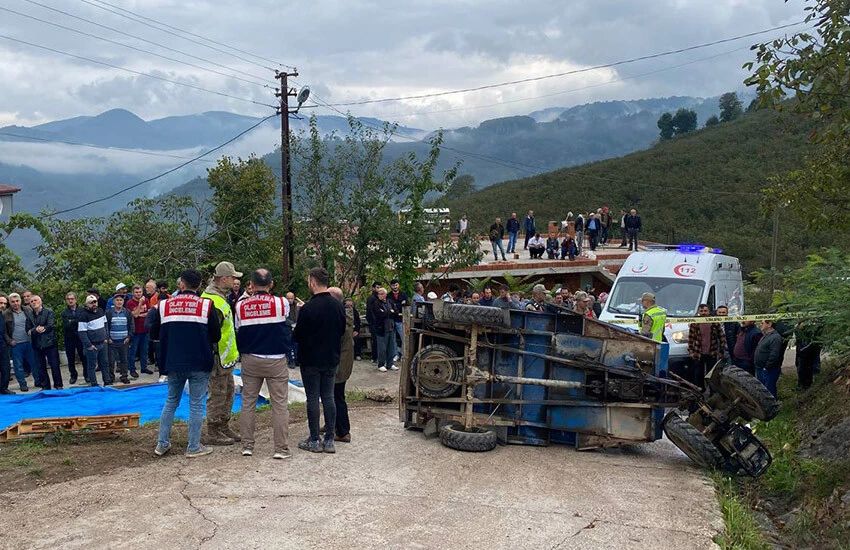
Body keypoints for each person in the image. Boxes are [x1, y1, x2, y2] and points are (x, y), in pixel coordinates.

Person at [148, 268, 221, 458]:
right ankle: (194, 447)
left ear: (181, 284)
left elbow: (153, 333)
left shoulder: (164, 305)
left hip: (173, 361)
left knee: (171, 401)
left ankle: (162, 443)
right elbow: (216, 335)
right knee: (196, 404)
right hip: (199, 362)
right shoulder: (206, 305)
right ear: (199, 286)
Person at [234, 268, 293, 459]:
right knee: (279, 405)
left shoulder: (240, 305)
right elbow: (284, 321)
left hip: (251, 359)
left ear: (250, 285)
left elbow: (238, 328)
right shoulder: (281, 302)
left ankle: (247, 445)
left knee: (248, 402)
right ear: (271, 284)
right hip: (276, 359)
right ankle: (281, 448)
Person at [293, 267, 346, 454]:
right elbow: (342, 330)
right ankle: (330, 439)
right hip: (331, 357)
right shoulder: (338, 305)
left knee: (313, 398)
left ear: (313, 282)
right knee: (329, 397)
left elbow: (298, 335)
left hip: (311, 359)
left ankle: (315, 439)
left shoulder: (307, 308)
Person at [202, 261, 242, 446]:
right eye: (233, 277)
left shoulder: (220, 296)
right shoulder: (212, 300)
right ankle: (213, 430)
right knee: (217, 394)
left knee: (228, 393)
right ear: (224, 278)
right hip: (217, 358)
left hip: (226, 358)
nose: (235, 281)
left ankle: (224, 426)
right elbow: (210, 332)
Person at [331, 288, 354, 444]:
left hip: (340, 362)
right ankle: (332, 424)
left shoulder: (341, 318)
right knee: (332, 395)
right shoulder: (345, 314)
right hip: (343, 360)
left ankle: (343, 431)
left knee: (337, 396)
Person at [27, 295, 63, 390]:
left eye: (35, 300)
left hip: (50, 343)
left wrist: (42, 328)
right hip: (37, 345)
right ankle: (45, 386)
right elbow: (27, 329)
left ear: (41, 302)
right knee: (40, 367)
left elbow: (50, 325)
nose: (33, 302)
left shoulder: (48, 312)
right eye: (31, 301)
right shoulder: (29, 316)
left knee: (54, 365)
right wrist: (36, 330)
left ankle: (58, 385)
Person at [687, 304, 726, 389]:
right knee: (698, 374)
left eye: (705, 311)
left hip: (712, 353)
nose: (703, 313)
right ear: (699, 312)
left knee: (711, 375)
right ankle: (699, 391)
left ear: (709, 311)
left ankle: (712, 392)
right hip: (698, 353)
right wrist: (691, 351)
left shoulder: (714, 322)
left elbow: (722, 337)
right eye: (701, 311)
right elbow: (691, 338)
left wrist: (721, 351)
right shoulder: (695, 322)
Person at [4, 293, 36, 392]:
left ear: (20, 301)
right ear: (9, 302)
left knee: (34, 364)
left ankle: (39, 381)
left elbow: (34, 322)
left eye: (17, 301)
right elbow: (3, 331)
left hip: (29, 342)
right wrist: (9, 341)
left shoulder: (28, 310)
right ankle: (22, 384)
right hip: (16, 345)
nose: (15, 303)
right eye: (13, 302)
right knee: (18, 366)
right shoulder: (5, 314)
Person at [78, 294, 110, 387]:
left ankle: (107, 380)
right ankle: (94, 383)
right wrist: (88, 345)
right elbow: (82, 332)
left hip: (103, 343)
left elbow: (105, 325)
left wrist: (106, 337)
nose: (94, 304)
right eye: (91, 303)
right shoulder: (83, 316)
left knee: (104, 363)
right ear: (87, 304)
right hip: (93, 345)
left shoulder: (101, 311)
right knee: (92, 365)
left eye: (95, 302)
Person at [106, 293, 134, 385]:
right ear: (114, 302)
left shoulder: (127, 312)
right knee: (111, 361)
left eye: (121, 300)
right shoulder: (109, 313)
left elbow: (131, 326)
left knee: (124, 360)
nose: (119, 302)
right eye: (117, 300)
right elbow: (105, 327)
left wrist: (129, 337)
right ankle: (110, 377)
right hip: (112, 341)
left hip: (124, 341)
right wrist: (108, 338)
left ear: (123, 302)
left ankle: (124, 376)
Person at [126, 285, 152, 378]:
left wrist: (140, 314)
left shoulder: (146, 300)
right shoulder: (130, 303)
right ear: (133, 292)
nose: (138, 294)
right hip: (135, 330)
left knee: (144, 350)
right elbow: (134, 315)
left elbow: (149, 313)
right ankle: (132, 369)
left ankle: (144, 367)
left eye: (140, 292)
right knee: (133, 351)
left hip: (145, 329)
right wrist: (140, 304)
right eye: (136, 292)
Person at [754, 319, 784, 398]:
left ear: (769, 324)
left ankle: (772, 407)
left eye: (762, 323)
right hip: (761, 368)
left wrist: (767, 367)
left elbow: (774, 355)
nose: (760, 325)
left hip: (769, 370)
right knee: (762, 391)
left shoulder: (775, 337)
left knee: (769, 391)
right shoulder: (766, 336)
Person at [370, 288, 396, 372]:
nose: (380, 295)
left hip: (391, 326)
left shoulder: (390, 302)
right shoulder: (376, 303)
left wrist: (388, 312)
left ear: (385, 294)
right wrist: (389, 312)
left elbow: (395, 312)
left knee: (391, 347)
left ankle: (390, 363)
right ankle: (381, 364)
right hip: (381, 327)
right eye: (379, 294)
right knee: (382, 347)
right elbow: (379, 314)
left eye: (381, 294)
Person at [794, 319, 822, 390]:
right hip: (801, 350)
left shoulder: (813, 326)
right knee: (800, 368)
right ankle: (801, 385)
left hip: (808, 350)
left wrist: (804, 349)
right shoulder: (798, 326)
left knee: (807, 368)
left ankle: (806, 386)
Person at [387, 279, 408, 362]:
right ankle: (395, 354)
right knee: (393, 338)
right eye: (393, 285)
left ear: (398, 285)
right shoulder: (388, 295)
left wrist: (395, 305)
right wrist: (400, 304)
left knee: (403, 337)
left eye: (396, 285)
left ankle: (404, 354)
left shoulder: (403, 294)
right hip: (392, 319)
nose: (395, 287)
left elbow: (406, 304)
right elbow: (390, 306)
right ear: (391, 286)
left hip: (400, 319)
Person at [364, 282, 381, 364]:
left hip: (379, 321)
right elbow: (370, 311)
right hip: (373, 322)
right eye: (377, 287)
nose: (379, 289)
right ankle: (374, 357)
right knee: (375, 339)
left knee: (379, 339)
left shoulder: (380, 297)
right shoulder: (371, 298)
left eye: (380, 287)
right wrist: (373, 321)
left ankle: (378, 356)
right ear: (374, 288)